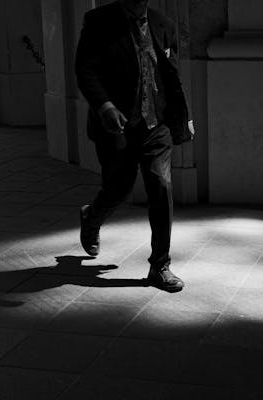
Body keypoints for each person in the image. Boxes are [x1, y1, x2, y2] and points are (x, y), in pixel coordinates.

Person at [75, 0, 194, 293]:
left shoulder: (162, 23)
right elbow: (85, 70)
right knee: (118, 187)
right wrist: (104, 107)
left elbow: (170, 75)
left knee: (161, 185)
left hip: (157, 125)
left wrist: (182, 118)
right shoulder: (99, 22)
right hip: (117, 124)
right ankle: (92, 217)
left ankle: (160, 266)